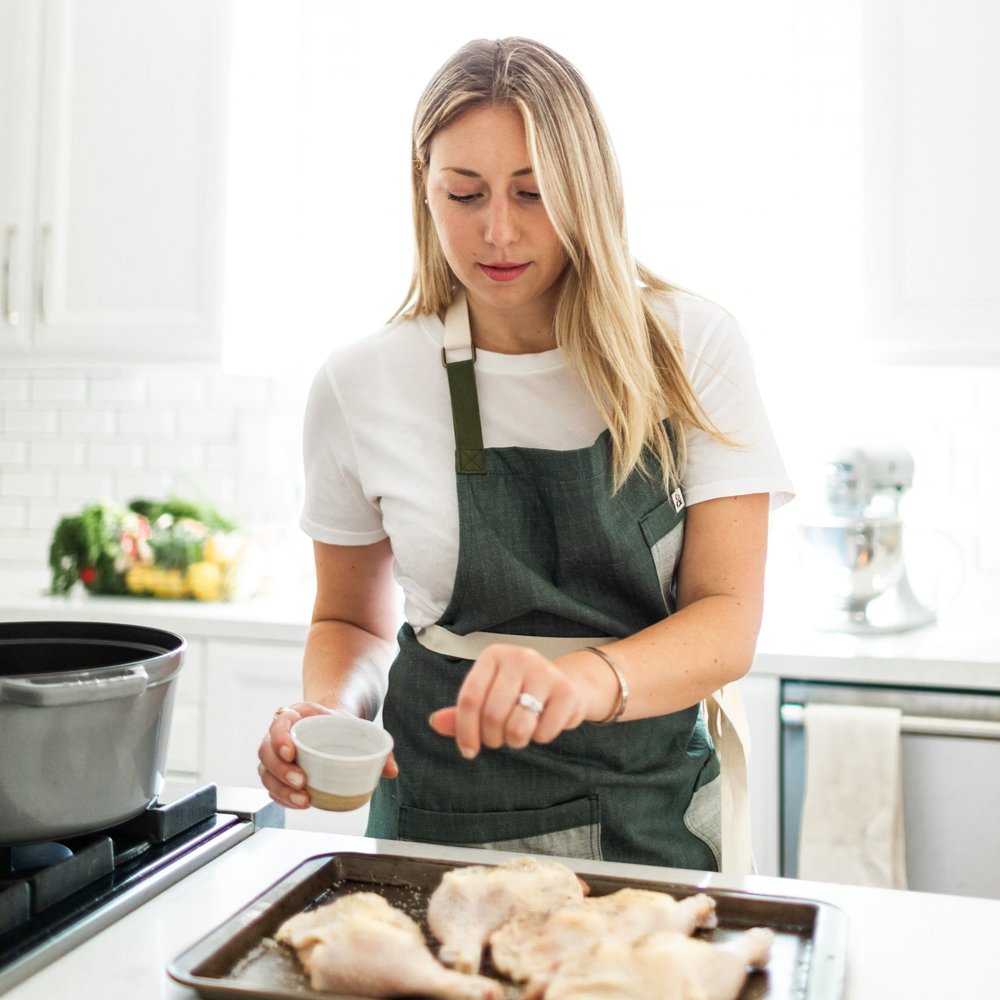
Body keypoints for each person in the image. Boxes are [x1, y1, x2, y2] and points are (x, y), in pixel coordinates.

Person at [258, 36, 793, 872]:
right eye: (463, 194)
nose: (497, 231)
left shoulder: (690, 348)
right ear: (421, 189)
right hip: (439, 825)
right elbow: (348, 622)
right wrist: (329, 714)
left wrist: (578, 682)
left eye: (534, 193)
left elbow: (727, 621)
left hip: (646, 822)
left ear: (588, 192)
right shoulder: (363, 383)